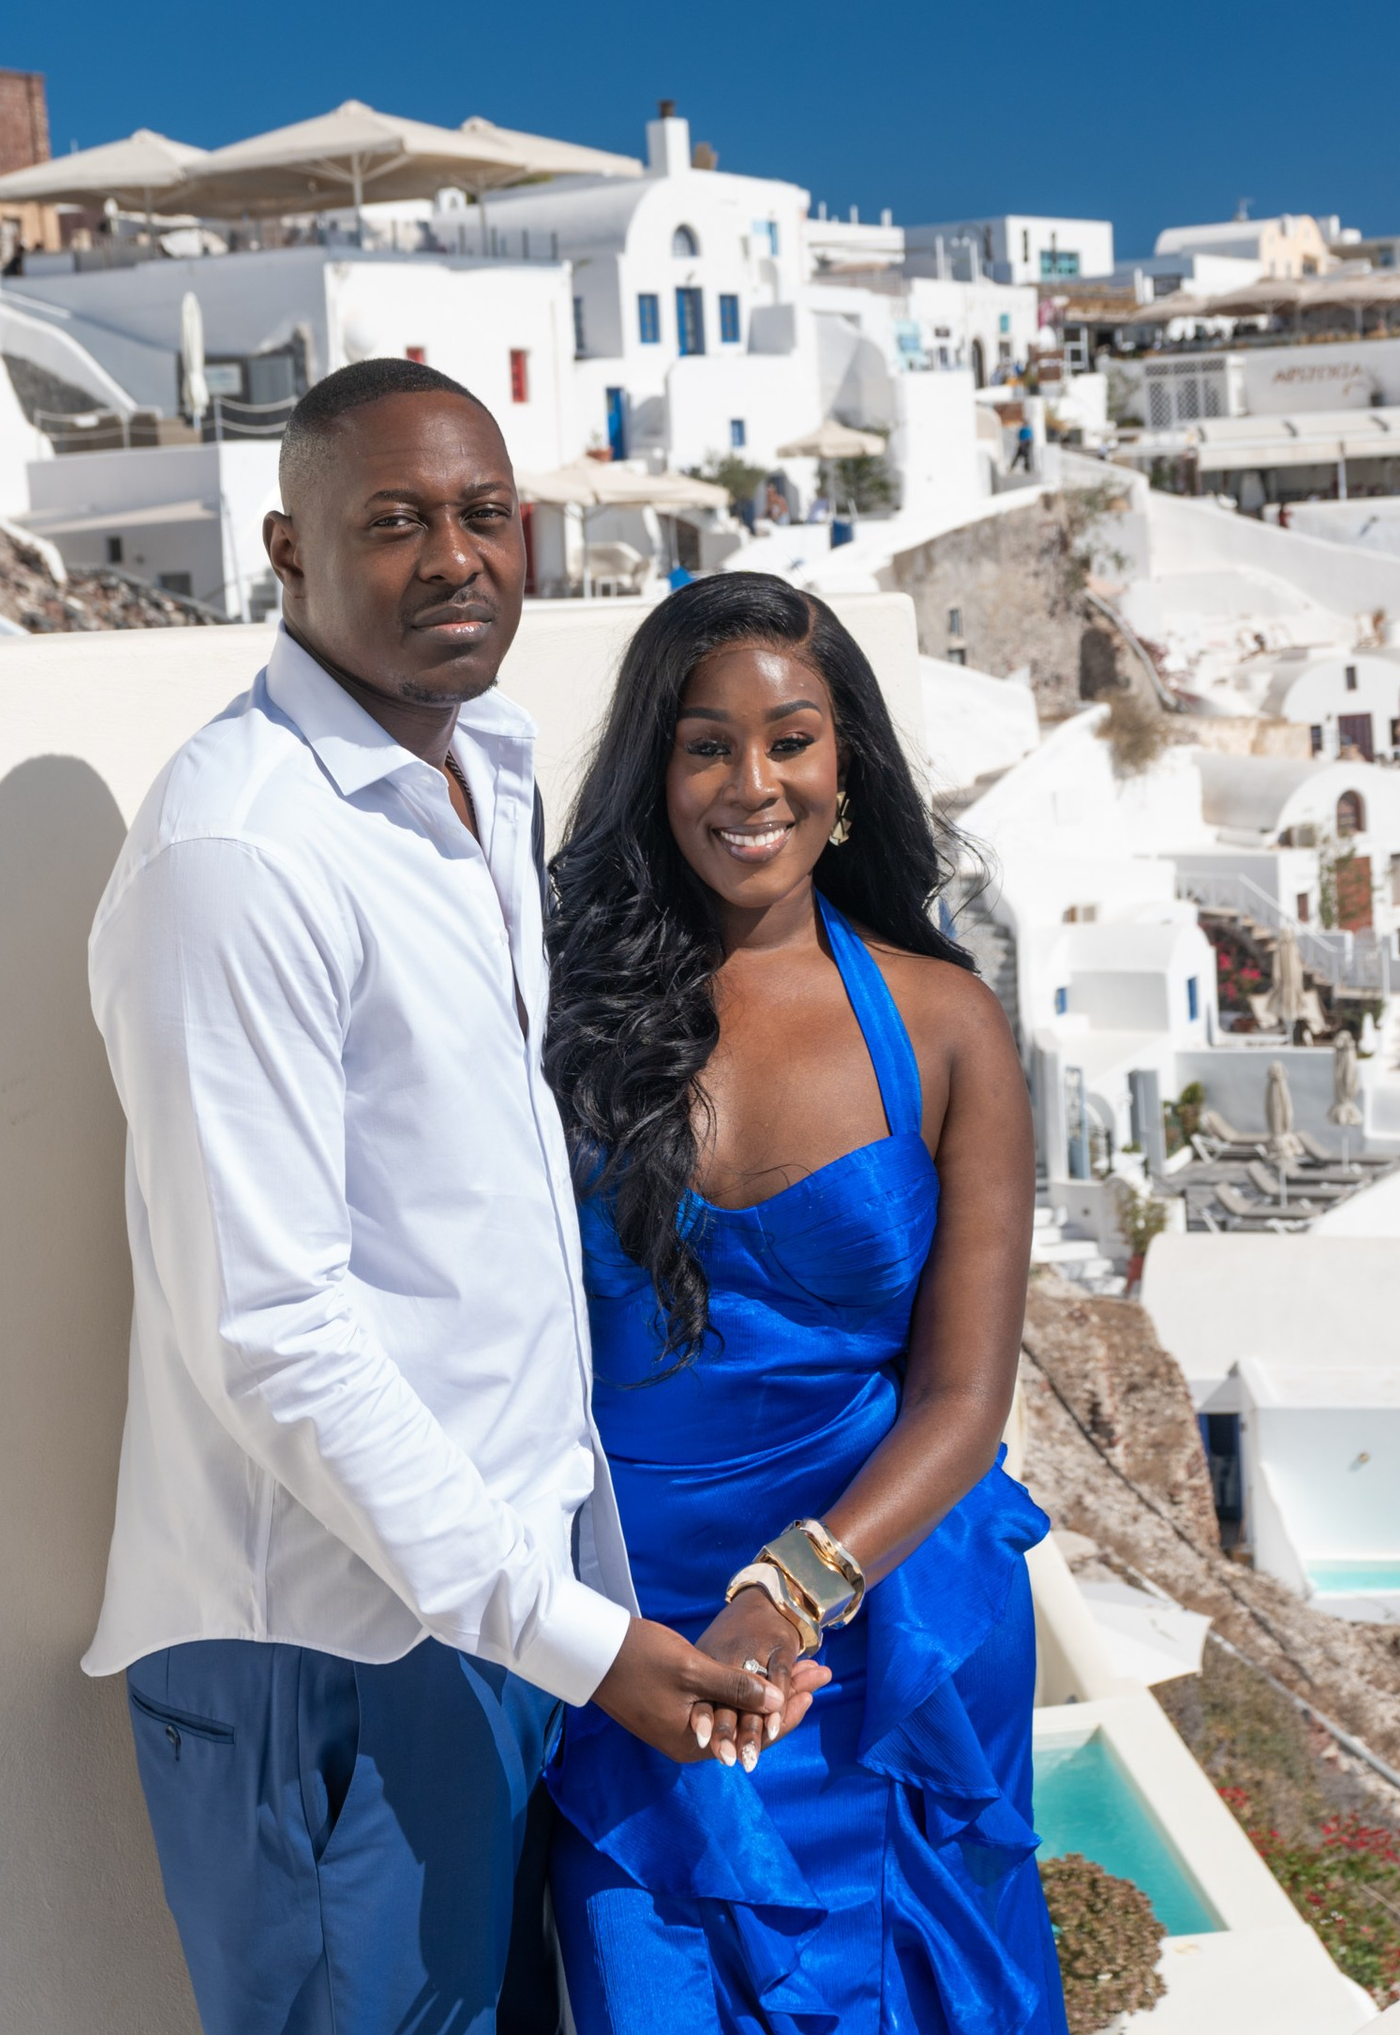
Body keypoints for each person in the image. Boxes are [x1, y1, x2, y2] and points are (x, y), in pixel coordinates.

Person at [83, 359, 785, 2035]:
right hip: (332, 1654)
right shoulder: (242, 857)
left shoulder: (487, 771)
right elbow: (271, 1330)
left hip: (492, 1614)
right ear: (287, 550)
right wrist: (577, 1640)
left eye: (485, 515)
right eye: (396, 521)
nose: (456, 557)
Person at [541, 573, 1061, 2033]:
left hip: (881, 1636)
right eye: (706, 745)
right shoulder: (556, 1019)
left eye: (790, 741)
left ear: (849, 766)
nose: (751, 784)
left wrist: (794, 1587)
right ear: (655, 773)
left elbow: (966, 1398)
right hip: (635, 1645)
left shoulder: (946, 1027)